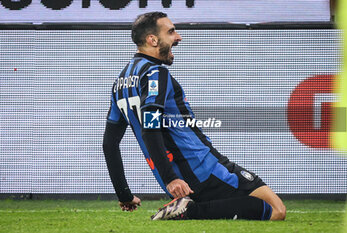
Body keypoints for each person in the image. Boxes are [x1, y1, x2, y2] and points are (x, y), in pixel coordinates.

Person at [103, 11, 286, 220]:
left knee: (239, 207)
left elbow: (110, 143)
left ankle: (187, 207)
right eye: (171, 32)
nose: (178, 37)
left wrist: (124, 193)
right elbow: (150, 126)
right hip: (203, 167)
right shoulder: (155, 73)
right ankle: (189, 211)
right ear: (152, 40)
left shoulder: (120, 83)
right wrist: (171, 178)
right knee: (276, 209)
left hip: (177, 178)